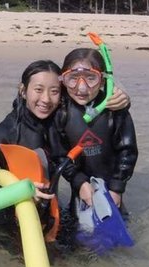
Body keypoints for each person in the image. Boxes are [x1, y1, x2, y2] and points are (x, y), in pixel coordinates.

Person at [0, 59, 130, 250]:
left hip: (50, 214)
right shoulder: (3, 134)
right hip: (13, 221)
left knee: (88, 256)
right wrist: (19, 194)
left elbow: (89, 98)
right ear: (23, 90)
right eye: (38, 90)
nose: (46, 99)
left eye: (54, 91)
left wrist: (122, 97)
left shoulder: (58, 122)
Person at [55, 48, 138, 226]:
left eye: (91, 78)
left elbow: (127, 151)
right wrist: (79, 181)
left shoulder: (115, 110)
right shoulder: (61, 112)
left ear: (103, 80)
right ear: (63, 80)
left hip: (111, 191)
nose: (81, 88)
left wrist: (117, 187)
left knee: (117, 233)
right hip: (79, 189)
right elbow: (59, 154)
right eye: (73, 78)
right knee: (72, 233)